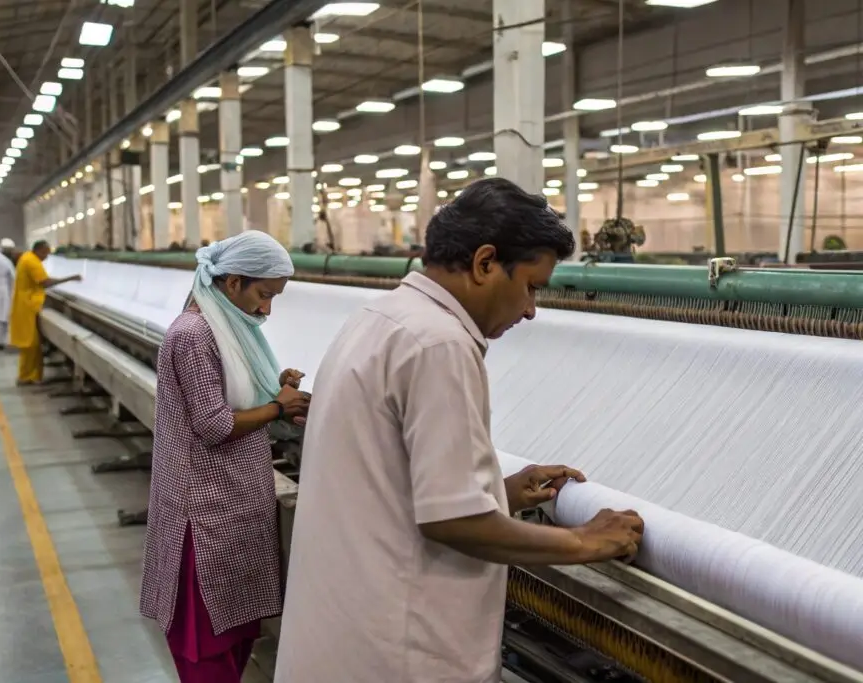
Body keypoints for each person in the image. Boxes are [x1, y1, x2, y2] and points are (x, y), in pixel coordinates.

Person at [274, 179, 645, 683]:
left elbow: (386, 484)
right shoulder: (440, 345)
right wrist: (584, 542)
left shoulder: (379, 317)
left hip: (345, 638)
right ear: (485, 263)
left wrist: (498, 491)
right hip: (400, 655)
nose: (531, 309)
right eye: (531, 286)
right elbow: (454, 521)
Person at [140, 230, 311, 683]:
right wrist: (277, 408)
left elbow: (232, 395)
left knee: (233, 635)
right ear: (233, 282)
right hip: (204, 515)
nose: (267, 309)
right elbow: (214, 424)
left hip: (234, 506)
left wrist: (277, 390)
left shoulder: (227, 329)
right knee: (206, 644)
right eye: (264, 294)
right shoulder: (193, 335)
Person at [8, 240, 80, 385]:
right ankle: (26, 377)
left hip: (25, 304)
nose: (46, 257)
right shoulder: (32, 261)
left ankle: (30, 375)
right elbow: (45, 282)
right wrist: (70, 278)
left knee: (32, 345)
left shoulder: (27, 257)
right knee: (30, 344)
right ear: (39, 250)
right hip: (27, 306)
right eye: (45, 253)